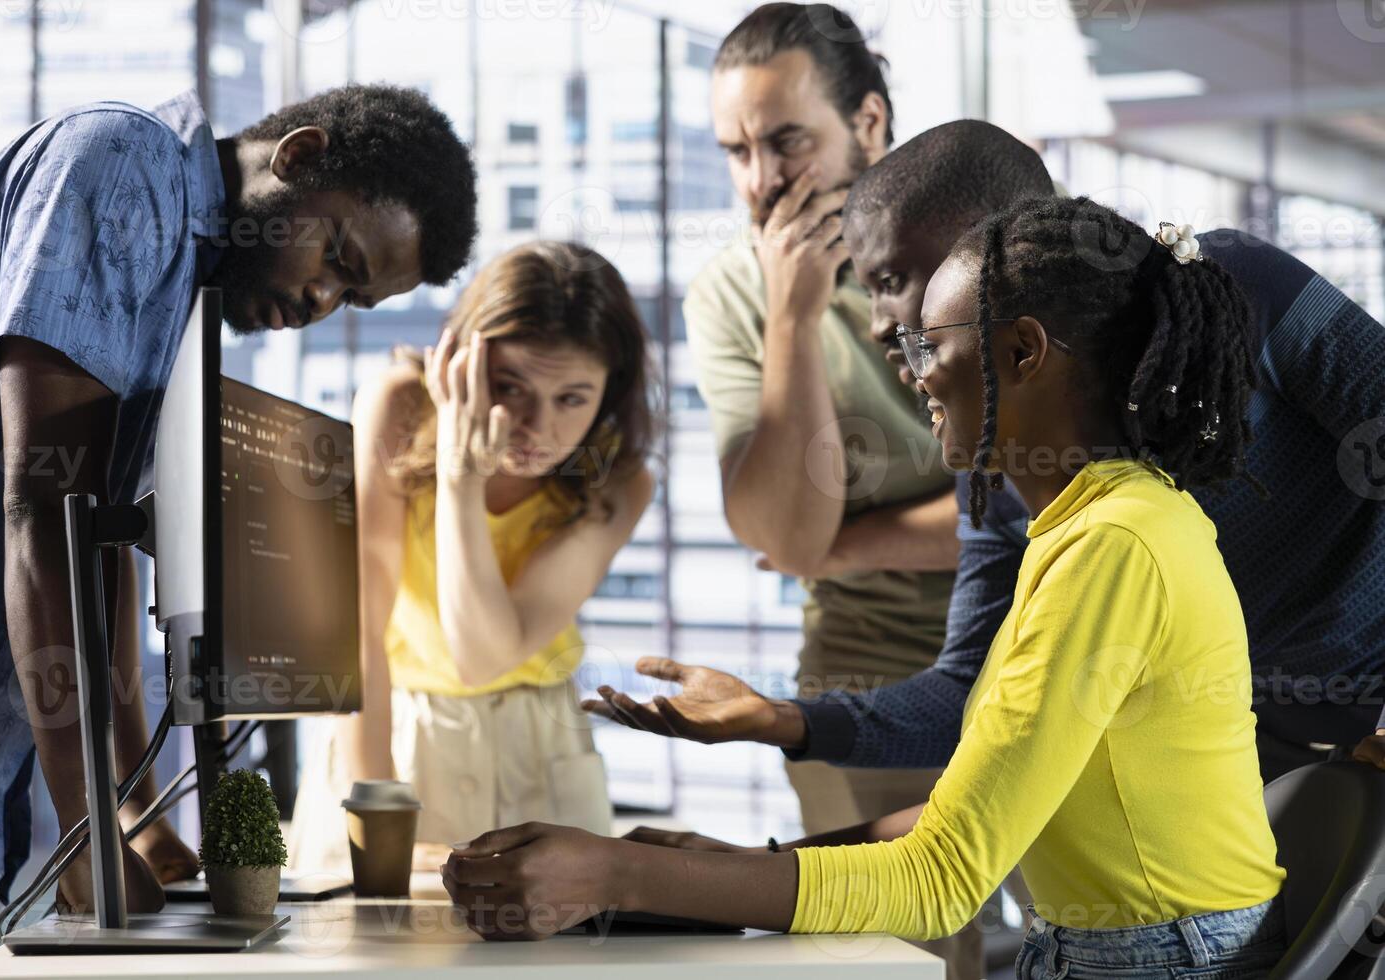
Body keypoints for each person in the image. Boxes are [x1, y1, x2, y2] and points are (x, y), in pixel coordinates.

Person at [443, 196, 1290, 980]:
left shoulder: (1114, 546)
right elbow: (958, 820)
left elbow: (942, 882)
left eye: (929, 343)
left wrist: (620, 872)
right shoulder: (1098, 526)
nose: (914, 371)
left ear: (1021, 352)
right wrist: (721, 869)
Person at [589, 120, 1385, 786]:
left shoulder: (1234, 289)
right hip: (1273, 768)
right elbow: (967, 695)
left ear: (991, 245)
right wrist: (783, 719)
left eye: (892, 277)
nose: (876, 323)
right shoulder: (1002, 476)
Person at [0, 83, 477, 975]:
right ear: (297, 156)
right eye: (336, 256)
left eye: (350, 298)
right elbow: (45, 513)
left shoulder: (189, 285)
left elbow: (101, 555)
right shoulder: (120, 168)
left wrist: (138, 818)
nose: (319, 298)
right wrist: (89, 837)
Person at [681, 9, 975, 971]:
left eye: (787, 141)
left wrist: (850, 542)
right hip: (869, 663)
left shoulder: (975, 250)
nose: (760, 180)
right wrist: (792, 322)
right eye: (736, 150)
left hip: (1039, 637)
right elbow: (785, 533)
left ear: (871, 126)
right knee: (901, 956)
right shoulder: (734, 292)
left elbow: (1037, 496)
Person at [287, 241, 657, 873]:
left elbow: (483, 655)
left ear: (609, 391)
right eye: (511, 387)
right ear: (462, 364)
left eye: (572, 398)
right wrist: (376, 805)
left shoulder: (618, 480)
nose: (536, 428)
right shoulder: (399, 407)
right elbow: (358, 632)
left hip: (536, 740)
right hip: (390, 729)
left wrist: (461, 481)